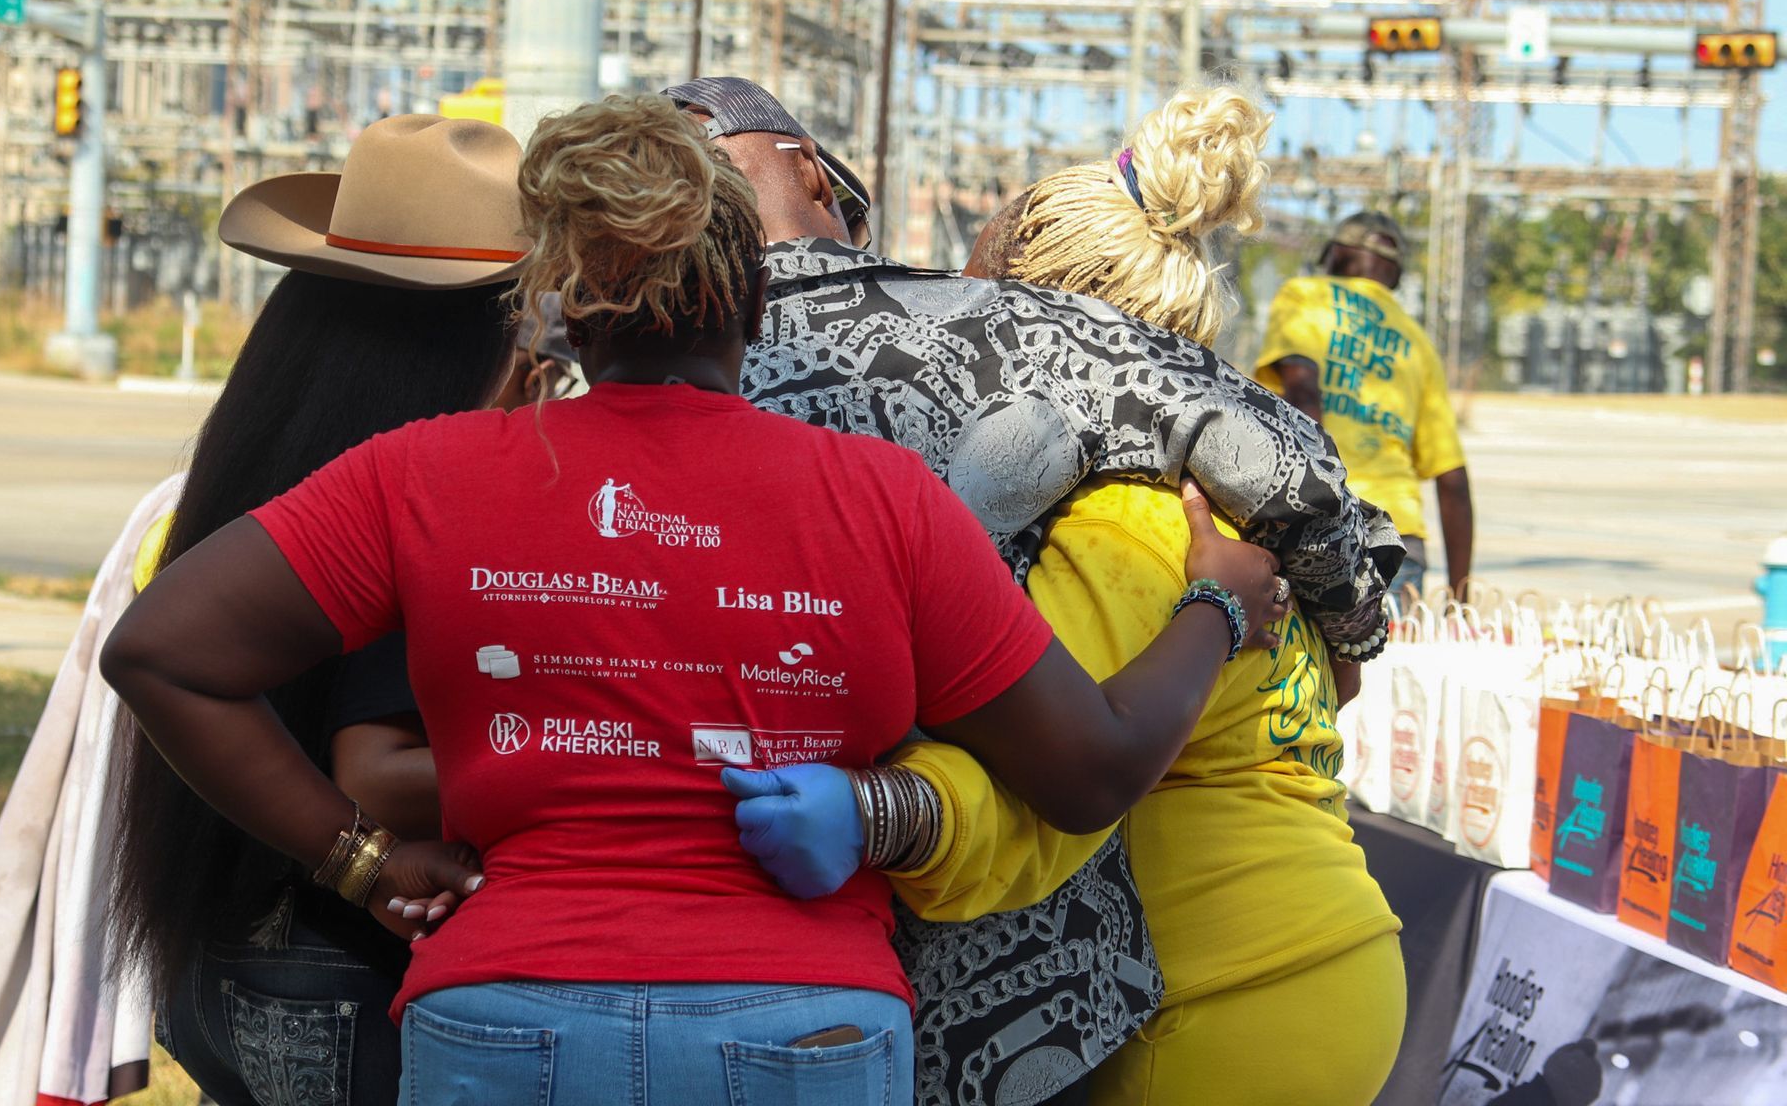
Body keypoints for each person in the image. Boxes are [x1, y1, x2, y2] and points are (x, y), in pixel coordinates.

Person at [99, 94, 1290, 1105]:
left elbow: (163, 650)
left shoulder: (431, 470)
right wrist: (1218, 605)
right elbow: (1090, 769)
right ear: (759, 301)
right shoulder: (881, 499)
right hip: (803, 1033)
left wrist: (355, 859)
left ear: (560, 306)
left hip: (498, 1019)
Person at [663, 75, 1401, 1102]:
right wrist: (1346, 610)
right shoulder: (1213, 506)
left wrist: (869, 810)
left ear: (1051, 310)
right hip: (1269, 960)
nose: (954, 293)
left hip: (1223, 987)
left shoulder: (1137, 523)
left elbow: (1052, 775)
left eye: (984, 274)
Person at [109, 114, 526, 1106]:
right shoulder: (422, 486)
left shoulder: (264, 435)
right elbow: (376, 771)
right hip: (347, 963)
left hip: (220, 952)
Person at [1257, 210, 1474, 603]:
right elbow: (1452, 479)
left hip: (1320, 524)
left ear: (1335, 254)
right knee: (1386, 662)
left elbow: (1303, 399)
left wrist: (1312, 515)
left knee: (1303, 663)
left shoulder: (1305, 295)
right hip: (1398, 539)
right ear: (1395, 276)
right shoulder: (1417, 342)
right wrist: (1460, 599)